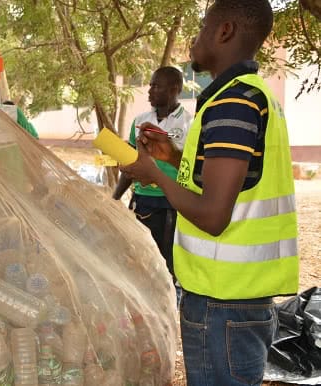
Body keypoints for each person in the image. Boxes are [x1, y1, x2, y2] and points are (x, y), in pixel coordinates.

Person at [121, 1, 299, 384]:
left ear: (225, 31)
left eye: (203, 26)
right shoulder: (253, 96)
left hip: (222, 302)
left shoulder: (232, 102)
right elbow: (233, 179)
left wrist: (154, 173)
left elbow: (214, 214)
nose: (195, 38)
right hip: (238, 299)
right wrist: (174, 156)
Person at [113, 66, 193, 284]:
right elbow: (131, 163)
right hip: (142, 202)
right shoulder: (140, 120)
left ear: (174, 89)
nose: (149, 91)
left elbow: (192, 166)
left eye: (156, 86)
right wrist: (115, 198)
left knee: (165, 264)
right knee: (138, 260)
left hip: (170, 203)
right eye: (150, 85)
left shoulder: (189, 123)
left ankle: (168, 305)